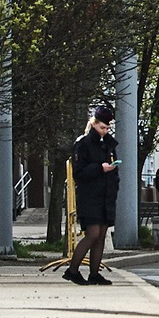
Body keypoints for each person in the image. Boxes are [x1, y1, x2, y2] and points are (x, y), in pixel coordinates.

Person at [67, 102, 118, 285]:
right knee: (93, 234)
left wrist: (112, 176)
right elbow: (78, 173)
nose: (104, 131)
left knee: (101, 234)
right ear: (94, 124)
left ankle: (94, 273)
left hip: (105, 195)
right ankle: (72, 270)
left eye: (107, 128)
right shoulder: (83, 144)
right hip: (89, 196)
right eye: (102, 127)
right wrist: (100, 168)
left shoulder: (108, 145)